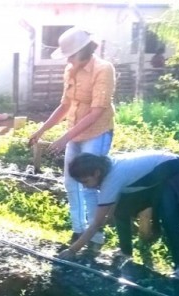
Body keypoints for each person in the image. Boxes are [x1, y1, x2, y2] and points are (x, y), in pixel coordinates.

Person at [29, 27, 116, 252]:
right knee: (70, 182)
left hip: (96, 132)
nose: (67, 59)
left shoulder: (103, 69)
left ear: (83, 51)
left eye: (70, 54)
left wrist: (64, 138)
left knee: (89, 184)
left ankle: (94, 236)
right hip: (74, 133)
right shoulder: (70, 70)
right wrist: (42, 131)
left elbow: (97, 111)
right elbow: (65, 105)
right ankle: (78, 230)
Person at [59, 151, 179, 281]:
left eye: (86, 182)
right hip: (154, 177)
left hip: (175, 169)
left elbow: (96, 223)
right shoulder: (107, 169)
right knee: (121, 210)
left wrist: (72, 250)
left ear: (96, 173)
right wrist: (108, 216)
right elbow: (113, 202)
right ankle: (126, 253)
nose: (85, 187)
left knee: (169, 218)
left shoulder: (112, 178)